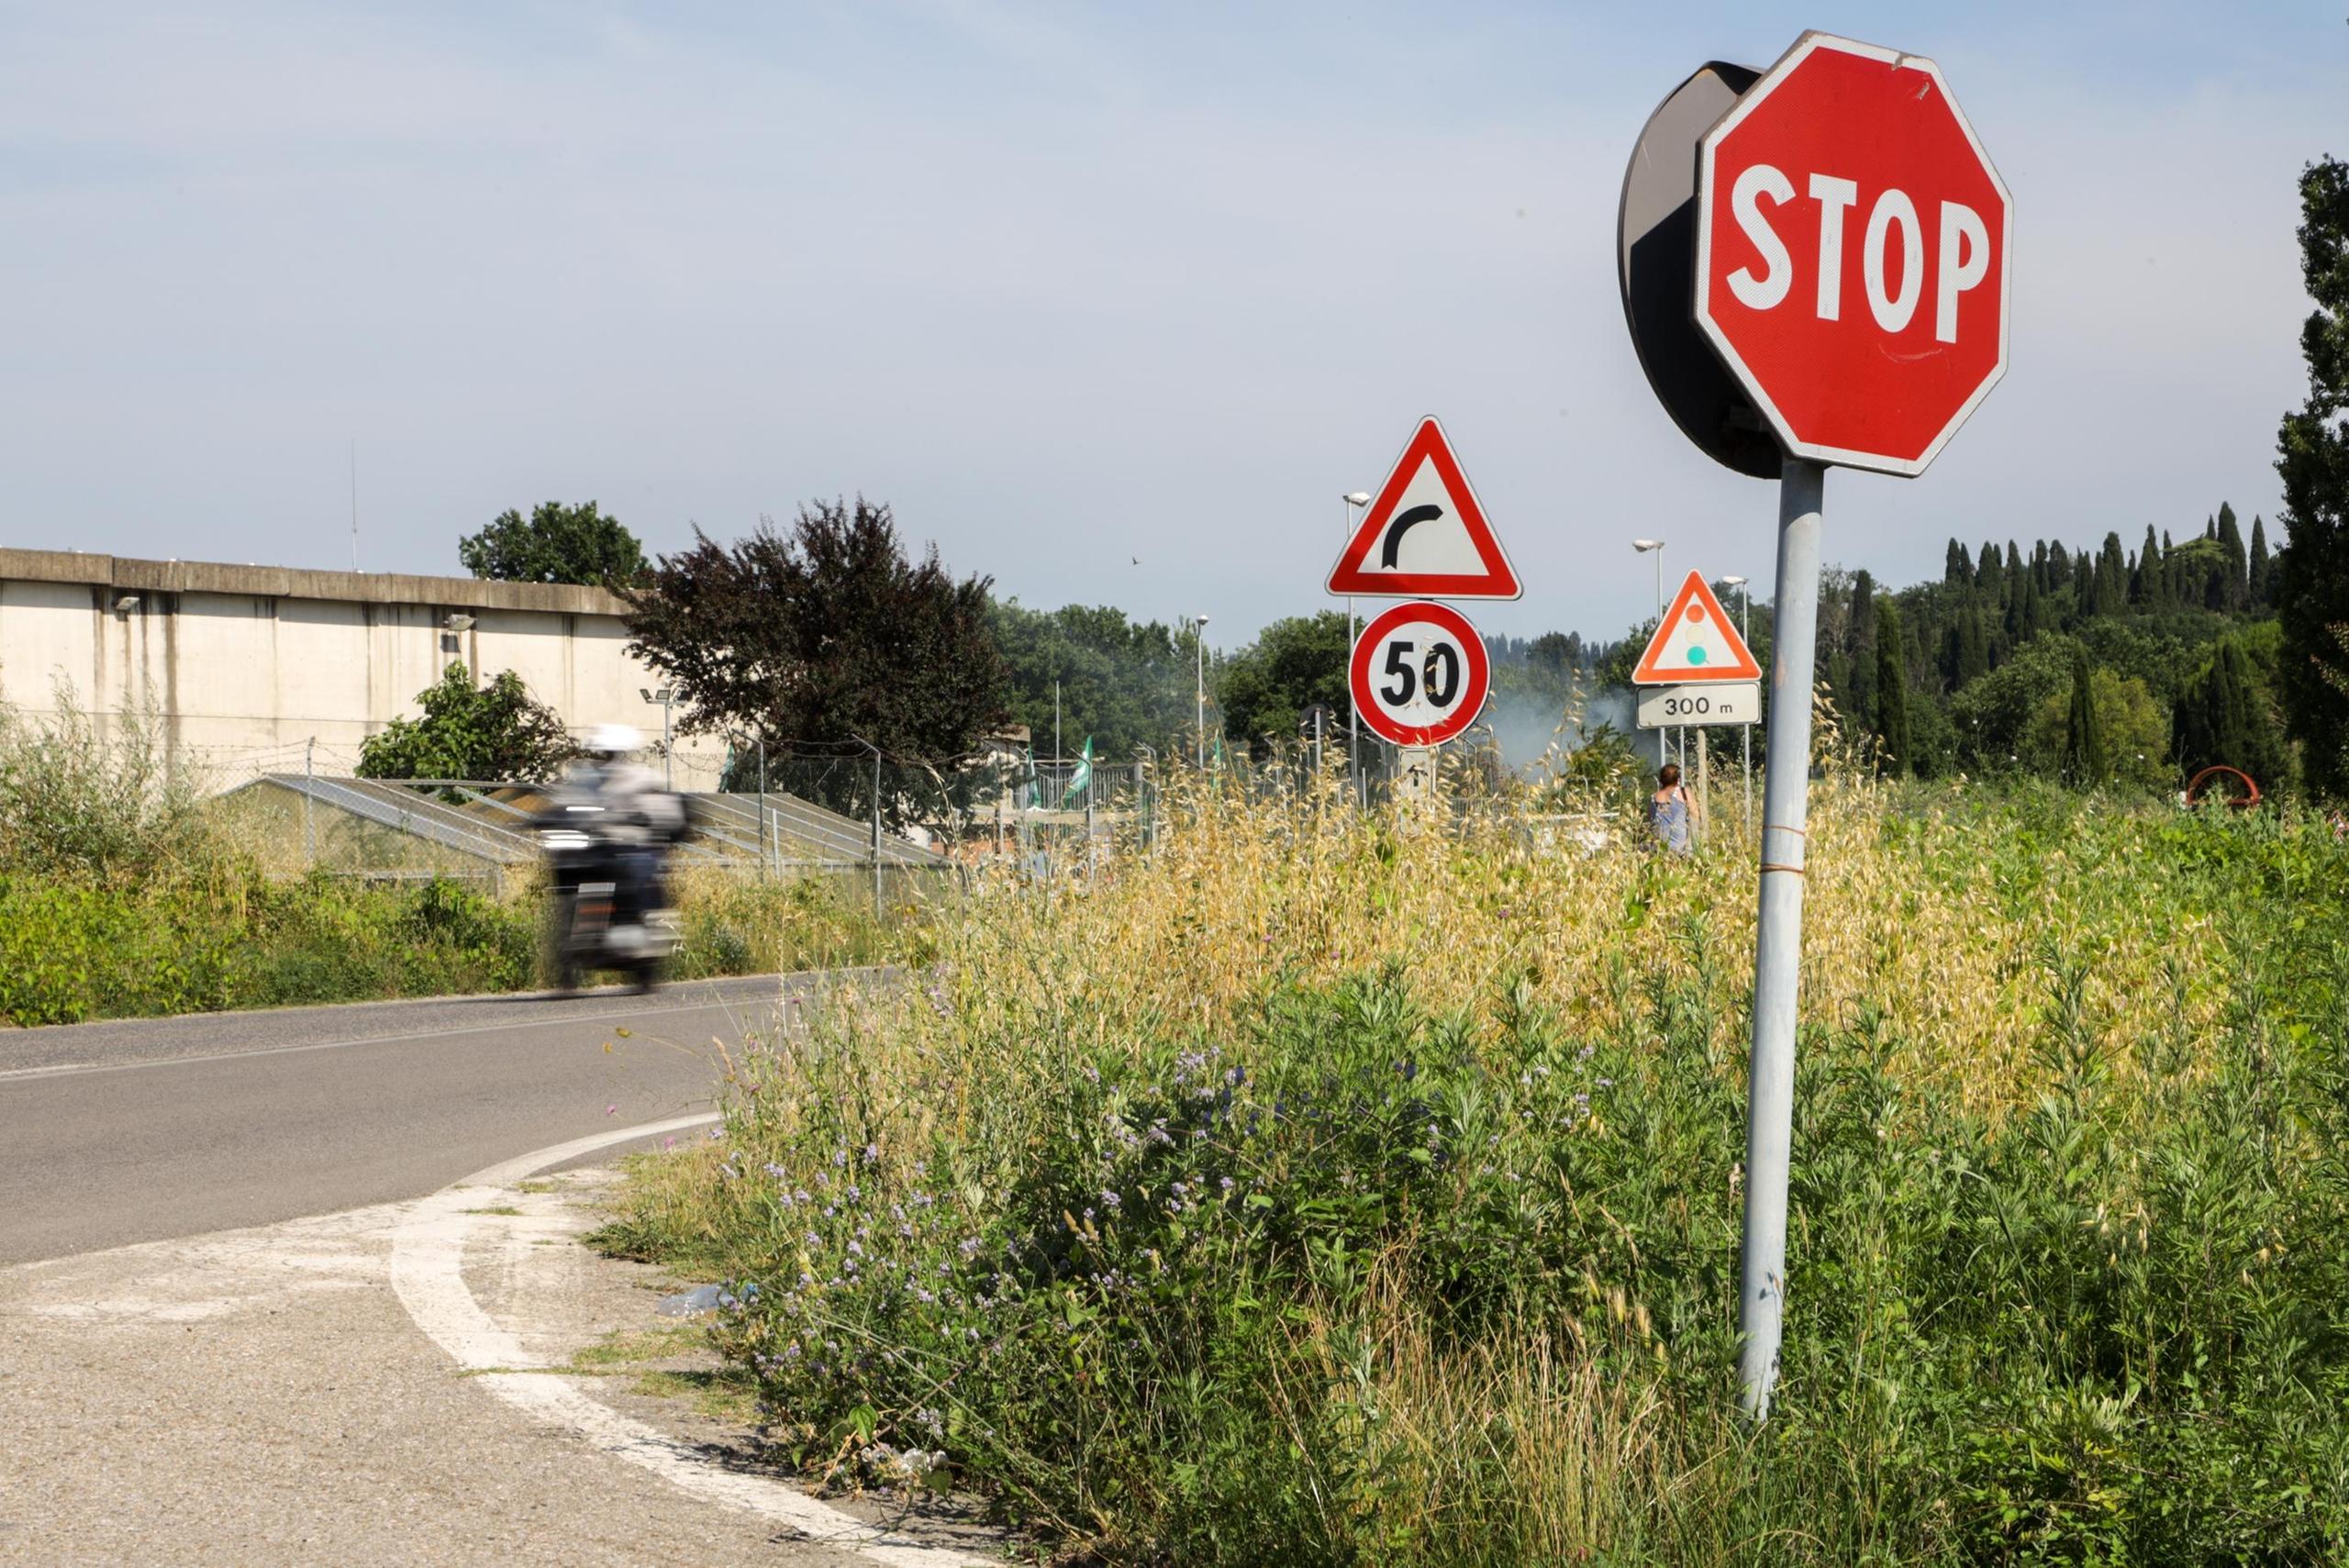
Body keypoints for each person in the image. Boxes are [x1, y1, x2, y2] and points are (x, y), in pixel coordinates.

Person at [1648, 761, 1697, 854]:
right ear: (1678, 779)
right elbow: (1695, 817)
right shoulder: (1684, 793)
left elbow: (1650, 821)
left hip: (1659, 850)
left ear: (1661, 780)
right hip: (1681, 850)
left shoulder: (1653, 798)